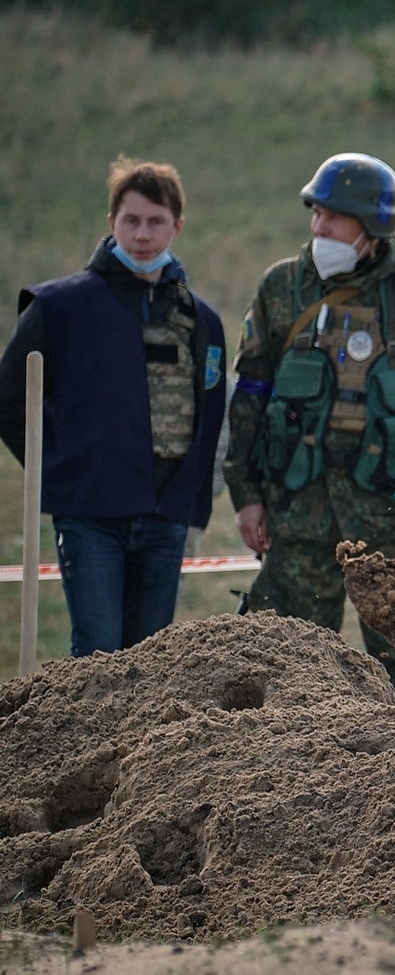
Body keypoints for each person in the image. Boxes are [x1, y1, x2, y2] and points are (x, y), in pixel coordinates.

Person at [225, 153, 395, 703]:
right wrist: (247, 497)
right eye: (315, 214)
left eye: (333, 218)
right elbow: (250, 398)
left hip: (390, 524)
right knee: (284, 674)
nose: (319, 228)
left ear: (371, 227)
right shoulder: (281, 290)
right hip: (298, 517)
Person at [0, 158, 226, 655]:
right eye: (131, 220)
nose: (142, 234)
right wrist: (57, 472)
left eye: (155, 221)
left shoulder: (201, 318)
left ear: (177, 226)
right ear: (111, 223)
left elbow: (208, 416)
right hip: (90, 517)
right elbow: (10, 398)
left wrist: (188, 502)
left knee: (150, 664)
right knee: (98, 653)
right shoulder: (58, 308)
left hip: (165, 517)